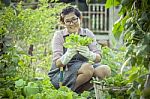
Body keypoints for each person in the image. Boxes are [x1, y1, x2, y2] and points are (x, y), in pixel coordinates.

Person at [48, 6, 111, 93]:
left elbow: (98, 58)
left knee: (104, 70)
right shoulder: (59, 35)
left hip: (84, 68)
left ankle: (80, 92)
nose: (71, 23)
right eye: (67, 21)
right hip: (62, 73)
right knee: (88, 68)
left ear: (80, 18)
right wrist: (68, 54)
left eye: (74, 19)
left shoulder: (87, 33)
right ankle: (68, 93)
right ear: (63, 23)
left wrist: (90, 54)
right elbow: (58, 64)